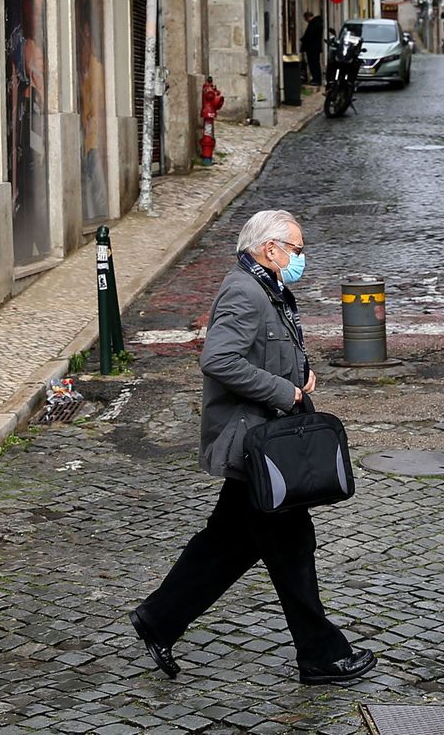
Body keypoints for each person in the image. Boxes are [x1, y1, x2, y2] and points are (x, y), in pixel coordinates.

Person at [131, 210, 376, 686]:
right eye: (297, 250)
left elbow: (270, 348)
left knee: (228, 542)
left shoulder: (269, 287)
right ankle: (321, 654)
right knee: (292, 548)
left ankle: (159, 618)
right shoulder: (244, 290)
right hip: (256, 446)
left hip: (265, 443)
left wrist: (299, 372)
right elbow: (219, 359)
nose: (301, 259)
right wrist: (286, 393)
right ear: (270, 249)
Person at [300, 10, 325, 86]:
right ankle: (316, 79)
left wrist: (303, 39)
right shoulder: (317, 23)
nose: (306, 21)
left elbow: (310, 35)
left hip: (312, 48)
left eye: (306, 19)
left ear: (308, 17)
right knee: (315, 63)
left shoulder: (314, 24)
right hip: (315, 47)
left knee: (313, 64)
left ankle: (316, 79)